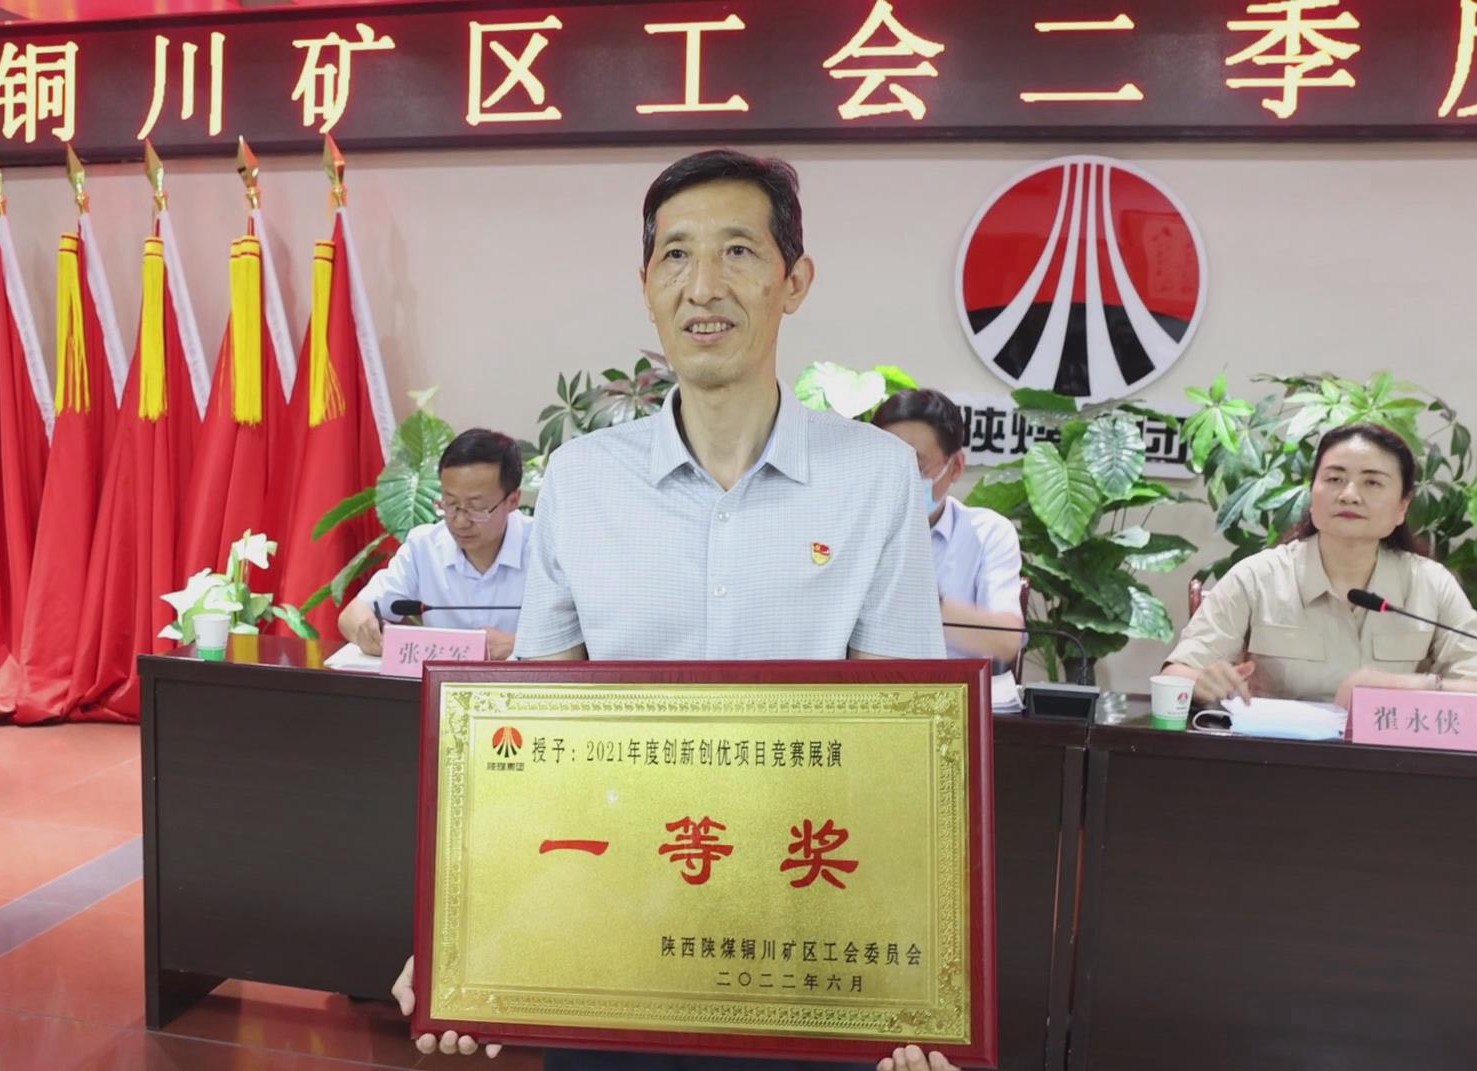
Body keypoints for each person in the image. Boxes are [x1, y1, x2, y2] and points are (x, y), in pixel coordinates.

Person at [392, 149, 955, 1071]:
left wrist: (923, 976)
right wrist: (469, 930)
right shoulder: (582, 479)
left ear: (793, 281)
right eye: (676, 256)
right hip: (613, 929)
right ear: (647, 286)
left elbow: (904, 744)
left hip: (803, 930)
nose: (703, 286)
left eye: (738, 251)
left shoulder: (874, 476)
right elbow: (533, 735)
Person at [1163, 422, 1477, 710]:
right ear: (1313, 495)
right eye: (1334, 479)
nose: (1349, 495)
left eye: (1372, 482)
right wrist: (1203, 682)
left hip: (1391, 751)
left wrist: (1406, 686)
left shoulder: (1431, 584)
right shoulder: (1257, 577)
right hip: (1279, 749)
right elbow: (1177, 674)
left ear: (1402, 507)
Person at [873, 389, 1025, 708]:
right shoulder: (850, 529)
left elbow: (1006, 641)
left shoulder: (987, 533)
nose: (898, 479)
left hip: (953, 706)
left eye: (915, 466)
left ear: (955, 467)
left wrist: (921, 602)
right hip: (866, 699)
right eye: (885, 464)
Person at [339, 429, 528, 660]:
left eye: (476, 508)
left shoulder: (545, 548)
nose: (460, 521)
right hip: (439, 682)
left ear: (513, 501)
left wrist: (518, 645)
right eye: (450, 504)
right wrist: (367, 632)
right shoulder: (424, 546)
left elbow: (572, 641)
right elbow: (352, 615)